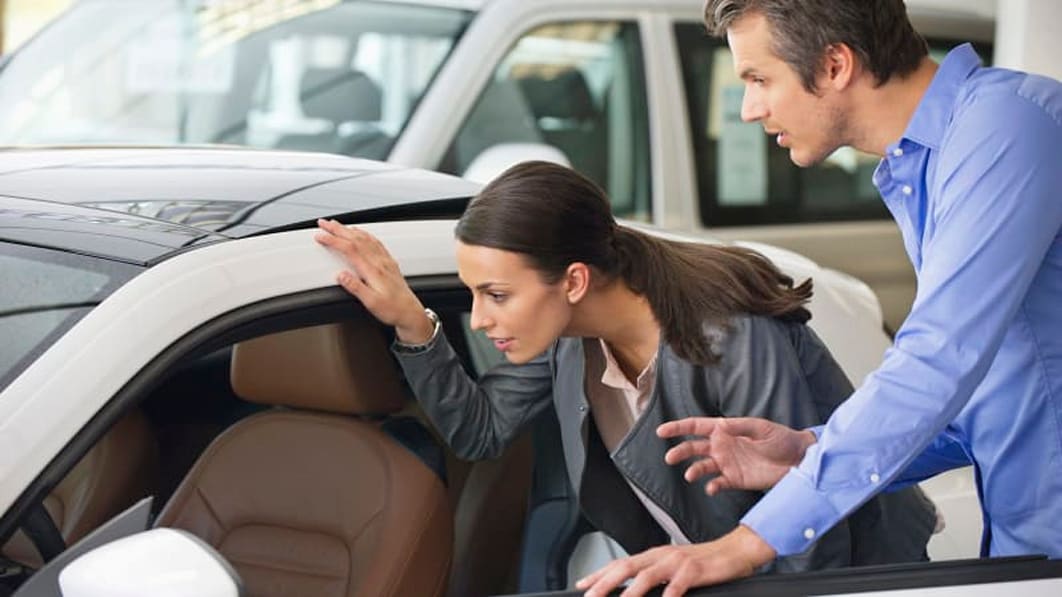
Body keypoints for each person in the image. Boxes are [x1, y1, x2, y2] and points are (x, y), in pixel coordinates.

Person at [576, 0, 1062, 595]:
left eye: (758, 79)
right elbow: (1003, 398)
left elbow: (938, 360)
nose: (749, 110)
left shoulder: (1006, 130)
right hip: (1029, 549)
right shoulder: (928, 163)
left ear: (834, 65)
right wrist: (810, 450)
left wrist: (748, 543)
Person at [314, 160, 935, 579]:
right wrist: (412, 324)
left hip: (849, 579)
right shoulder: (568, 336)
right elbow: (481, 430)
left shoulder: (730, 335)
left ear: (575, 280)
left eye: (496, 296)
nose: (478, 320)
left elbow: (809, 532)